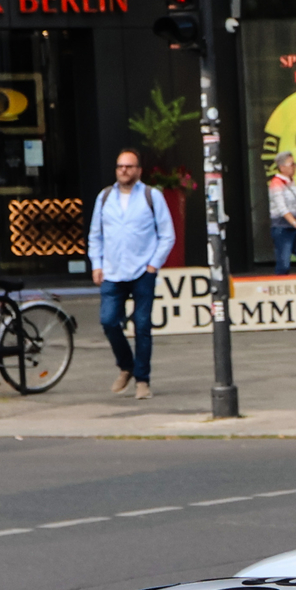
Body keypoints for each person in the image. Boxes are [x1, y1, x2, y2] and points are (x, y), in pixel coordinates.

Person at [88, 149, 174, 401]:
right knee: (108, 321)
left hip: (142, 271)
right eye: (120, 166)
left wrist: (153, 265)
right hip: (113, 271)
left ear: (138, 170)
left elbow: (167, 234)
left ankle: (142, 380)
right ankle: (127, 365)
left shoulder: (151, 196)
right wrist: (97, 264)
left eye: (129, 166)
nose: (124, 170)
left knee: (143, 326)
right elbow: (95, 234)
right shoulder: (104, 197)